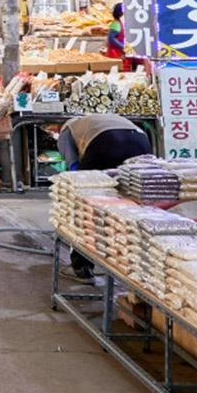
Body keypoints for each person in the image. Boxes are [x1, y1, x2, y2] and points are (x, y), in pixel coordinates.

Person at [58, 114, 153, 279]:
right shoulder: (94, 121)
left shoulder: (67, 130)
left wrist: (80, 187)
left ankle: (82, 267)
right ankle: (135, 265)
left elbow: (73, 165)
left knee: (86, 207)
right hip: (140, 142)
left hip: (105, 142)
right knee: (133, 204)